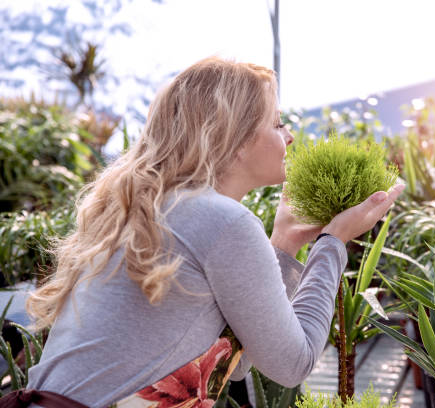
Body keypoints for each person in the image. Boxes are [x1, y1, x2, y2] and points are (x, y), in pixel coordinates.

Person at [11, 57, 404, 408]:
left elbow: (235, 364)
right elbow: (293, 364)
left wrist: (283, 246)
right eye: (277, 123)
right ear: (235, 139)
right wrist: (333, 243)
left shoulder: (164, 206)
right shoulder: (221, 220)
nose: (290, 136)